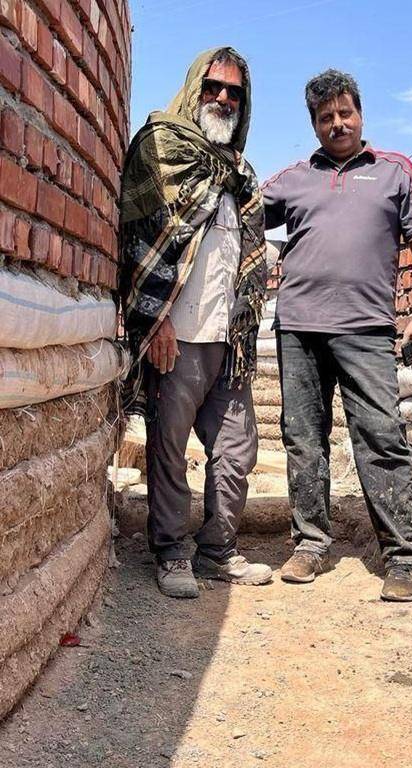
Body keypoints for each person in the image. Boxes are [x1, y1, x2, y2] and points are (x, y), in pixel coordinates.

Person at [261, 69, 412, 601]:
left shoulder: (394, 172)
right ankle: (311, 543)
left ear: (360, 114)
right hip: (298, 328)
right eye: (325, 118)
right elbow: (241, 212)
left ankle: (403, 556)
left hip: (365, 330)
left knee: (382, 438)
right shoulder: (294, 178)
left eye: (345, 113)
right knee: (303, 439)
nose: (337, 124)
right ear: (313, 125)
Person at [117, 47, 273, 598]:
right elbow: (139, 245)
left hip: (228, 341)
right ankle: (171, 552)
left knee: (236, 451)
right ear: (195, 87)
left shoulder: (240, 175)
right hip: (174, 334)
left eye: (235, 92)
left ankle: (217, 552)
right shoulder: (160, 149)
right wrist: (152, 321)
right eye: (215, 87)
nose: (224, 98)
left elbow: (246, 257)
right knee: (169, 448)